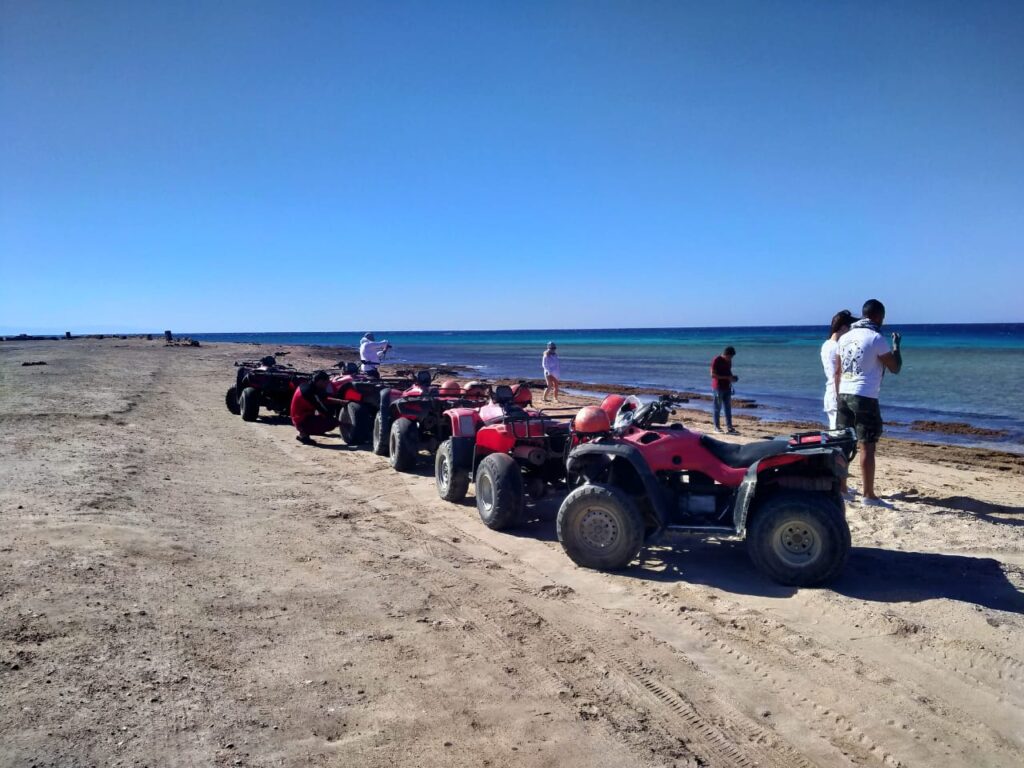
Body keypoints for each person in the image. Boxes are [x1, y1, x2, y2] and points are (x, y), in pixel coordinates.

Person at [837, 299, 903, 506]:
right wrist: (896, 347)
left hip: (844, 392)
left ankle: (842, 489)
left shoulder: (845, 338)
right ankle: (869, 494)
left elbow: (840, 369)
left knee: (843, 444)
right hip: (864, 395)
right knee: (867, 445)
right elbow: (895, 367)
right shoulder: (876, 338)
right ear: (878, 316)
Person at [821, 310, 854, 429]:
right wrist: (839, 396)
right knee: (839, 433)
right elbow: (837, 373)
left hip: (830, 392)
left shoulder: (826, 345)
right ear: (843, 327)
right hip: (836, 393)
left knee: (834, 430)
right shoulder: (837, 347)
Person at [291, 371, 342, 444]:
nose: (327, 385)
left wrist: (340, 401)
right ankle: (304, 435)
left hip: (300, 416)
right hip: (300, 420)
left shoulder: (308, 385)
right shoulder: (309, 391)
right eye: (326, 383)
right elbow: (322, 408)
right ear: (320, 381)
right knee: (330, 422)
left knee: (328, 414)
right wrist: (338, 422)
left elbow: (324, 396)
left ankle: (307, 431)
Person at [710, 346, 738, 434]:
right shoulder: (716, 360)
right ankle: (716, 427)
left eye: (732, 357)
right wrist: (726, 377)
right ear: (726, 354)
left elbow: (729, 372)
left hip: (727, 387)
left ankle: (730, 428)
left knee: (728, 409)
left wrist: (732, 378)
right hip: (718, 387)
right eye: (730, 357)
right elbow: (712, 375)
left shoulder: (729, 361)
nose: (730, 359)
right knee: (717, 408)